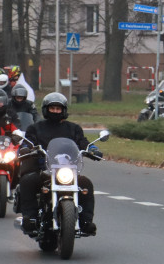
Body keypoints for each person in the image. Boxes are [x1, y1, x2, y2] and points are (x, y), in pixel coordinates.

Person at [17, 93, 101, 235]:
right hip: (45, 170)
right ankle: (30, 218)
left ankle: (86, 222)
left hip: (68, 170)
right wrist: (26, 148)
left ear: (64, 110)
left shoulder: (73, 128)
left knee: (86, 184)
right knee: (28, 181)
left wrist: (92, 149)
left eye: (58, 109)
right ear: (45, 109)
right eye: (52, 108)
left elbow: (83, 142)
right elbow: (28, 142)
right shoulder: (36, 128)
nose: (55, 111)